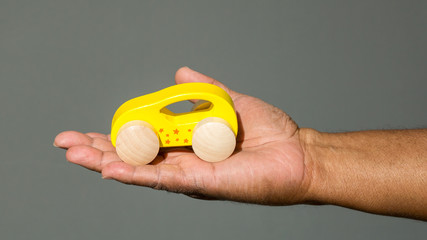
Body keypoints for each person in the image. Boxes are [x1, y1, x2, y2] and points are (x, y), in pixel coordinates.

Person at [54, 67, 427, 221]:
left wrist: (310, 161)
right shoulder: (142, 120)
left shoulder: (214, 121)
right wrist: (310, 158)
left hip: (206, 122)